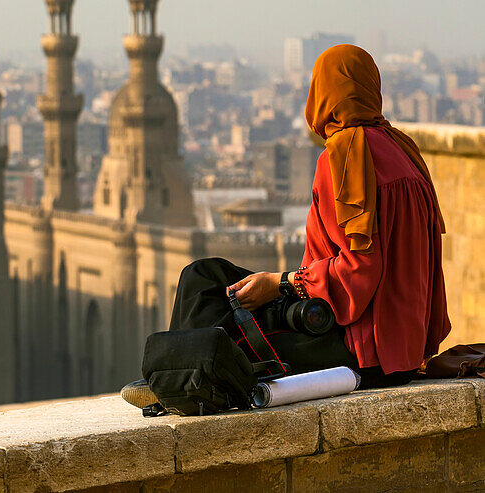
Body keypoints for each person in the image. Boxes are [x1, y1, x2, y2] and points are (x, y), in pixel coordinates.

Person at [126, 44, 449, 406]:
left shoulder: (345, 158)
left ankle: (180, 377)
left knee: (202, 286)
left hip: (356, 349)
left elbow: (360, 272)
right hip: (402, 352)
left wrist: (281, 283)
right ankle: (179, 372)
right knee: (209, 275)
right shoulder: (406, 152)